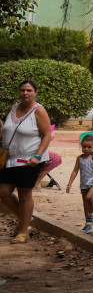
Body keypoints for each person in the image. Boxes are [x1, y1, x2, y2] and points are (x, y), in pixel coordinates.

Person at [1, 79, 54, 243]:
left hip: (30, 160)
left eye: (29, 90)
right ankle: (25, 218)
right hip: (9, 158)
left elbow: (47, 135)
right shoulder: (12, 108)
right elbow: (5, 131)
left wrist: (37, 156)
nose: (25, 93)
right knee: (3, 192)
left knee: (24, 194)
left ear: (35, 93)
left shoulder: (39, 111)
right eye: (22, 90)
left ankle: (23, 232)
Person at [65, 135, 93, 233]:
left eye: (89, 147)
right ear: (81, 145)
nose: (86, 149)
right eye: (84, 146)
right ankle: (88, 225)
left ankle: (91, 215)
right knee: (85, 204)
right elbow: (75, 171)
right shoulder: (79, 158)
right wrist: (69, 184)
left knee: (89, 197)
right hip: (84, 183)